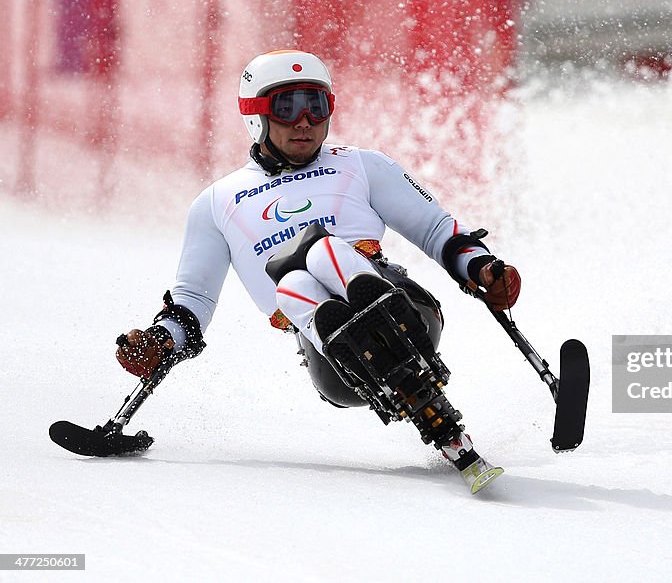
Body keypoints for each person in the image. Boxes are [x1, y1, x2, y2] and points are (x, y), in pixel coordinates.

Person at [114, 49, 521, 492]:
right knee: (296, 280)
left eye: (317, 105)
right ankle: (352, 331)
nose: (304, 120)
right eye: (286, 107)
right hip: (333, 362)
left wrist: (481, 268)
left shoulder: (362, 164)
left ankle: (374, 309)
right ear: (256, 116)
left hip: (409, 312)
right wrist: (159, 341)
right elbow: (192, 302)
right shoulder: (217, 203)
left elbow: (438, 230)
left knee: (322, 252)